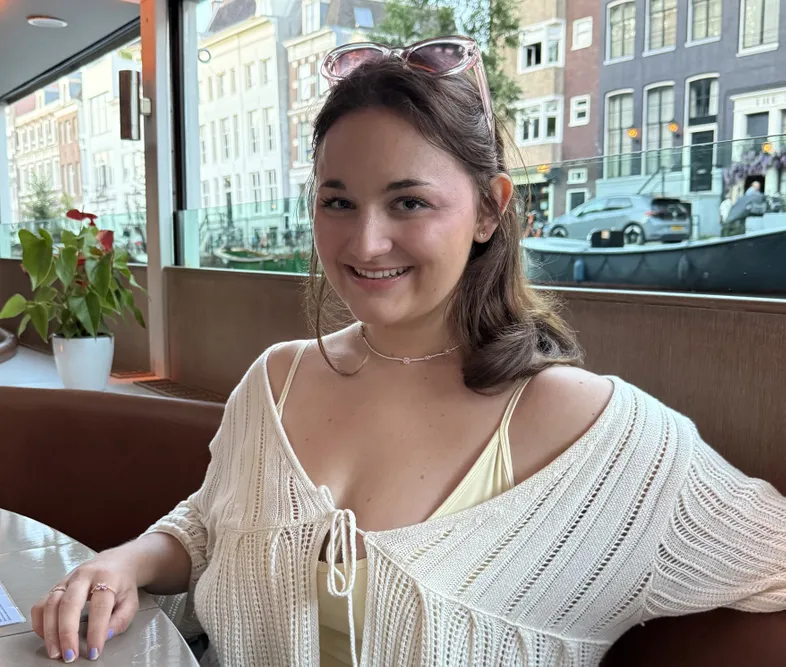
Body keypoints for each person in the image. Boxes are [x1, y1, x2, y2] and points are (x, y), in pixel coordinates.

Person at [32, 36, 786, 666]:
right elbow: (211, 522)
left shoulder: (599, 435)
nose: (365, 242)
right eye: (338, 201)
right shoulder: (277, 380)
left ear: (491, 208)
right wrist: (124, 559)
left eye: (409, 201)